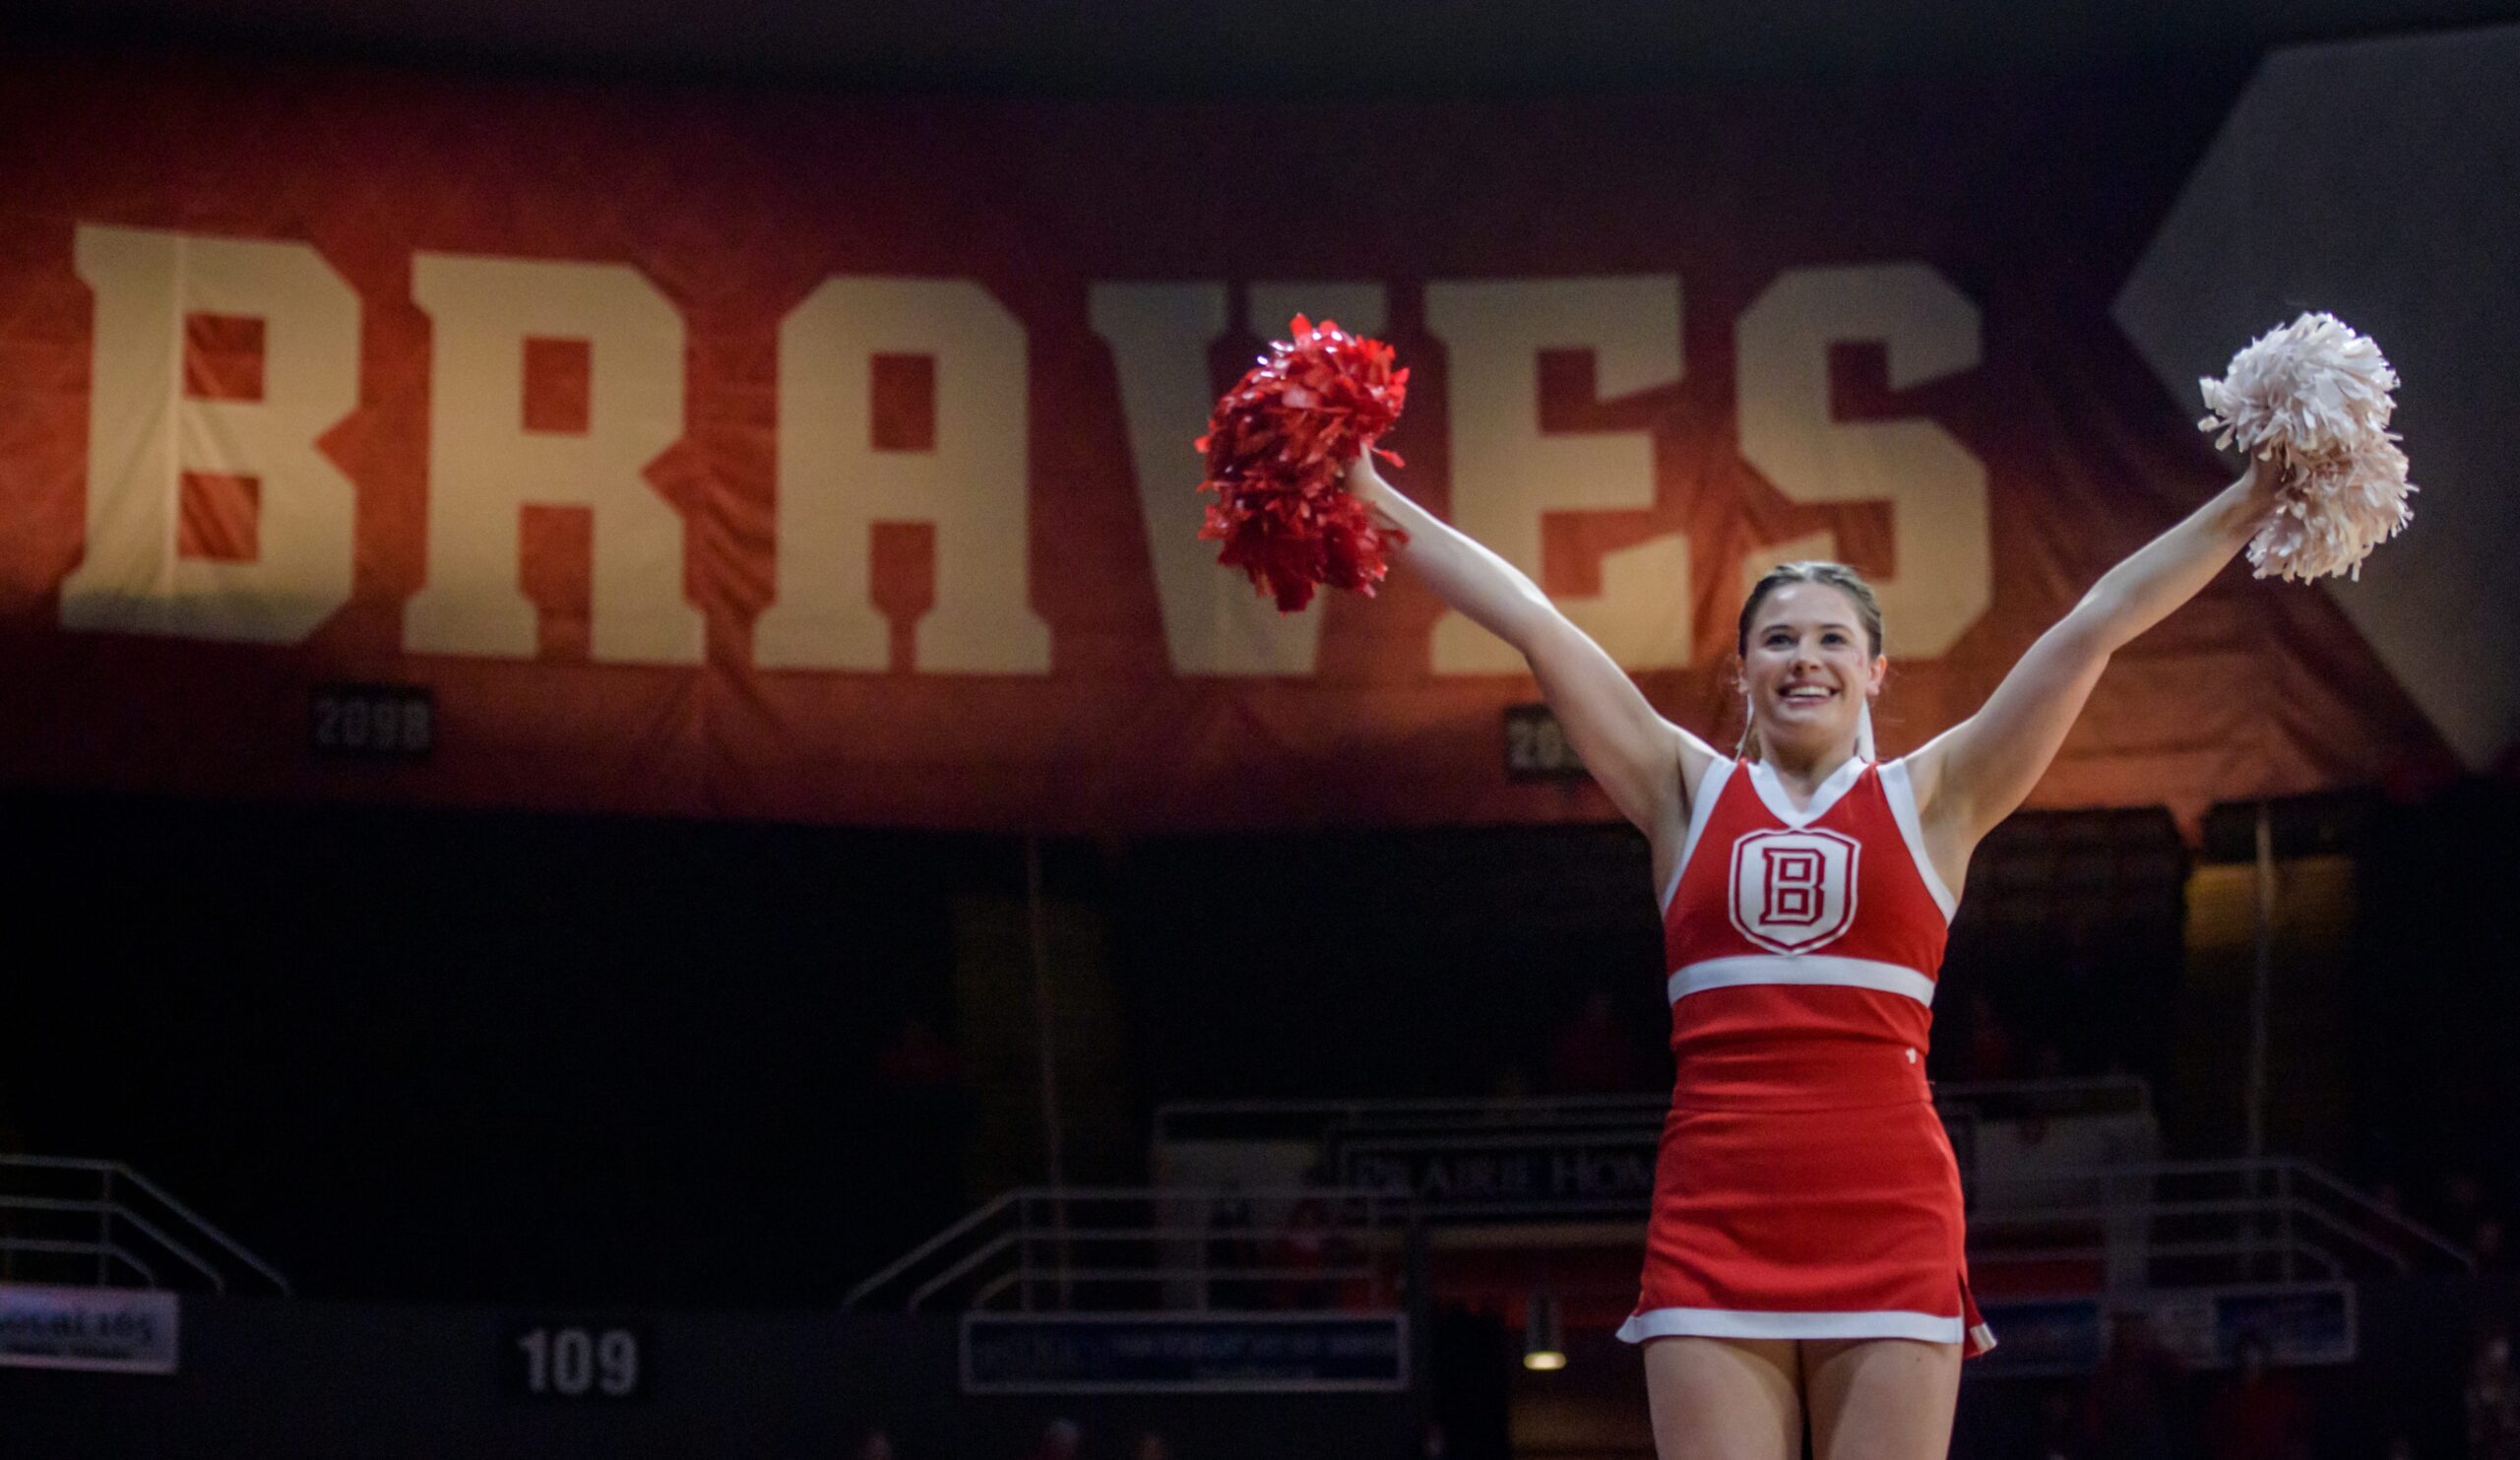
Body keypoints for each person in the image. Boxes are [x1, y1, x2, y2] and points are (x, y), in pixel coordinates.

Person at [1342, 444, 2289, 1459]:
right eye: (1777, 638)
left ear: (1874, 671)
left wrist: (2252, 500)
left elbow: (2095, 621)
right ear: (1739, 671)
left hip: (1888, 1212)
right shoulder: (1680, 788)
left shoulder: (1939, 795)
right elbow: (1531, 618)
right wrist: (1366, 491)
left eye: (1832, 639)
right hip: (1715, 1210)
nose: (1804, 657)